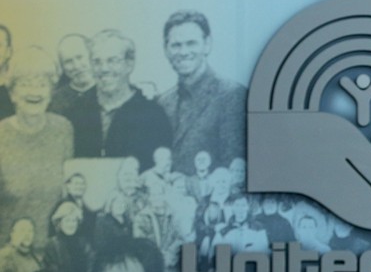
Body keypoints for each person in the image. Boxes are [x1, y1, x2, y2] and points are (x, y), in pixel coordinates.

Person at [65, 29, 172, 171]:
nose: (104, 69)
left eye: (113, 61)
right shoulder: (75, 113)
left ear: (129, 65)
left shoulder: (152, 116)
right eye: (97, 61)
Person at [156, 11, 247, 174]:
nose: (183, 52)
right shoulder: (162, 103)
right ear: (166, 50)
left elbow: (235, 168)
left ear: (207, 45)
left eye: (191, 43)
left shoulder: (233, 96)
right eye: (176, 45)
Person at [0, 49, 73, 250]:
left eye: (42, 84)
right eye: (25, 84)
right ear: (12, 93)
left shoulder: (64, 130)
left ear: (51, 93)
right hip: (9, 260)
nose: (34, 91)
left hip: (54, 258)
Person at [49, 34, 96, 116]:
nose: (76, 66)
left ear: (91, 56)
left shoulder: (109, 91)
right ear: (62, 66)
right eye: (68, 61)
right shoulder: (55, 101)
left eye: (79, 57)